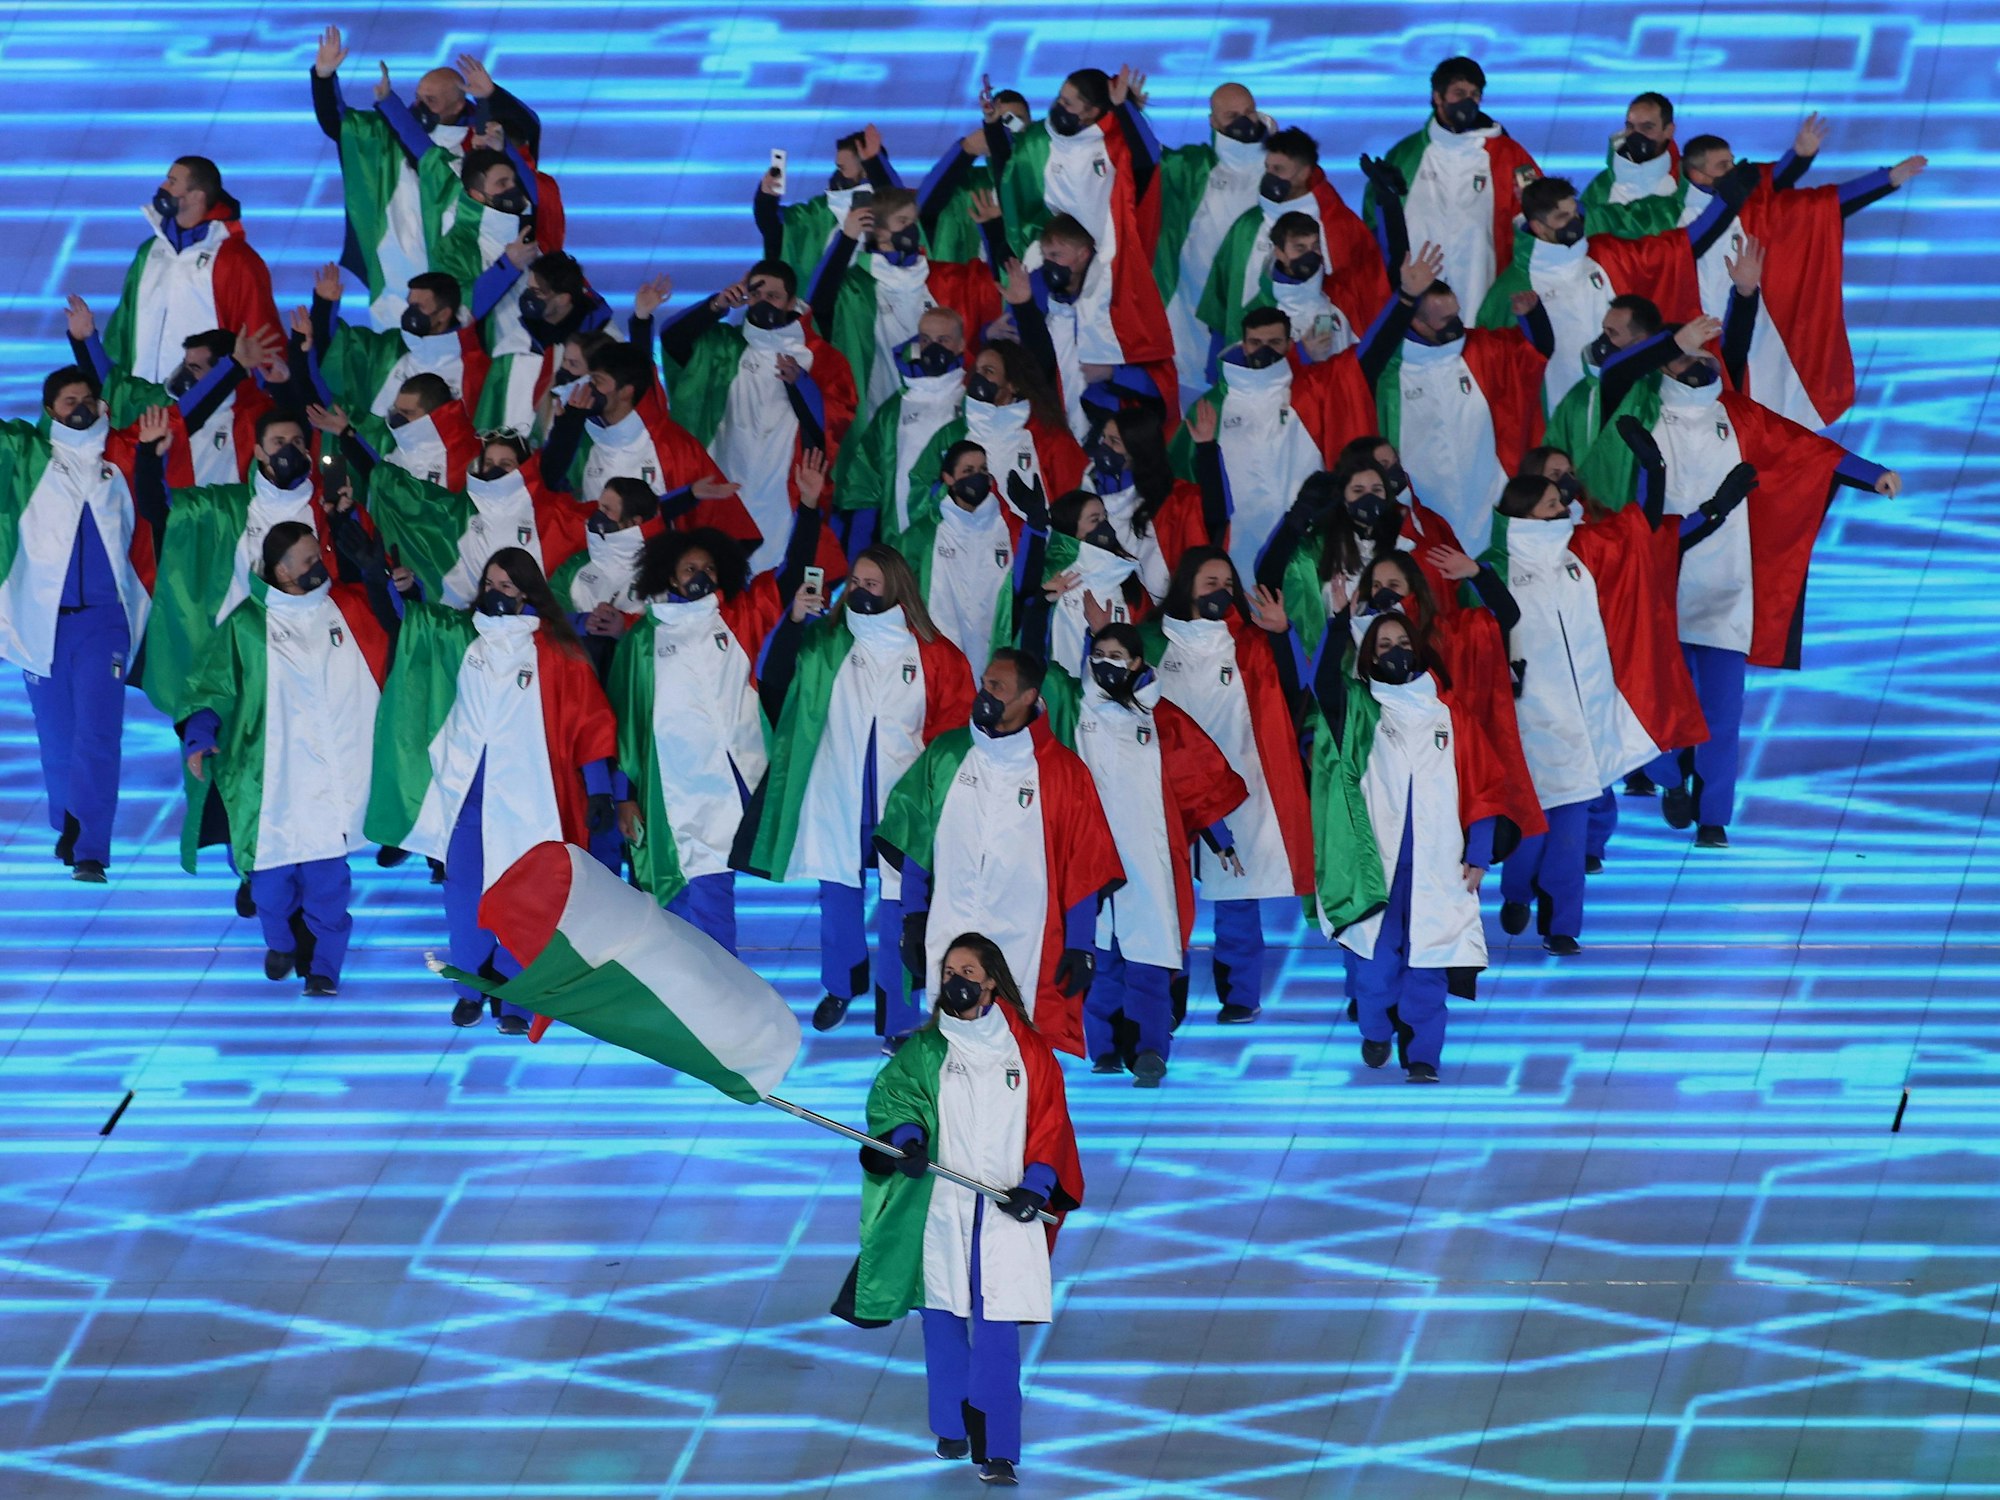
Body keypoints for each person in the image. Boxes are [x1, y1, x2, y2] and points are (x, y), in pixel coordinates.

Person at [1608, 335, 1899, 846]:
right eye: (1685, 354)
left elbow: (1805, 451)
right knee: (1661, 703)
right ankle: (1669, 778)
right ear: (1664, 363)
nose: (1698, 362)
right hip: (1656, 587)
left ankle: (1713, 816)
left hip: (1728, 585)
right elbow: (1613, 383)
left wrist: (1871, 475)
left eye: (1705, 355)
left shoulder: (1740, 415)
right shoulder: (1640, 411)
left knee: (1722, 713)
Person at [847, 934, 1083, 1487]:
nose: (957, 980)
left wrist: (1037, 1185)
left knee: (998, 1332)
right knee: (944, 1323)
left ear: (991, 980)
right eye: (950, 971)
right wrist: (907, 1140)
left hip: (1006, 1211)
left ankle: (997, 1448)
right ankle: (952, 1427)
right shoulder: (925, 1050)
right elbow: (896, 1101)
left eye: (968, 971)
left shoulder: (1028, 1051)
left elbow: (1051, 1124)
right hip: (941, 1209)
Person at [364, 548, 617, 1032]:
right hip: (470, 799)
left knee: (529, 902)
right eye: (489, 584)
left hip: (533, 803)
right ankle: (470, 988)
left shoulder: (557, 651)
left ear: (527, 593)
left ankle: (518, 999)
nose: (494, 594)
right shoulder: (463, 635)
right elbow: (415, 622)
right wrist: (396, 586)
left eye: (506, 586)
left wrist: (600, 789)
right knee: (464, 899)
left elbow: (588, 720)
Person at [735, 544, 974, 1038]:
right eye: (855, 583)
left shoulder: (935, 652)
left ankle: (900, 1016)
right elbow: (772, 677)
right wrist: (793, 622)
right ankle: (841, 985)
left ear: (896, 588)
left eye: (871, 584)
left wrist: (937, 796)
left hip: (903, 803)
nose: (860, 592)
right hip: (837, 792)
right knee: (838, 895)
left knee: (901, 906)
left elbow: (953, 731)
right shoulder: (827, 640)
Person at [1480, 473, 1707, 952]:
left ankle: (1563, 925)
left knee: (1571, 828)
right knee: (1531, 826)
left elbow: (1641, 532)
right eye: (1549, 504)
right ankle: (1517, 891)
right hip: (1530, 720)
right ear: (1523, 511)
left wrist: (1653, 469)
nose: (1561, 508)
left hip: (1588, 716)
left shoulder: (1580, 552)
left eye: (1559, 501)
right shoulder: (1494, 566)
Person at [612, 456, 827, 953]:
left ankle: (718, 989)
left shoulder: (738, 615)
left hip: (737, 777)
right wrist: (625, 795)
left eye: (709, 568)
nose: (701, 576)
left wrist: (810, 507)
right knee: (680, 900)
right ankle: (695, 990)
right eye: (690, 569)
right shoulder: (642, 639)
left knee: (711, 894)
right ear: (670, 575)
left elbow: (792, 573)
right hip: (674, 787)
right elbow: (628, 725)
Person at [179, 521, 392, 996]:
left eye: (320, 555)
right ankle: (280, 942)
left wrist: (380, 579)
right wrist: (199, 736)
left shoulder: (347, 607)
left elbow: (397, 629)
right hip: (270, 783)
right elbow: (212, 685)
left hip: (332, 782)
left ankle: (325, 970)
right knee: (270, 892)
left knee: (328, 891)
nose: (320, 565)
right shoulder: (247, 624)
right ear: (280, 571)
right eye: (308, 559)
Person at [878, 649, 1124, 1053]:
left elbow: (1085, 863)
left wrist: (1081, 944)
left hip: (1026, 936)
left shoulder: (1064, 772)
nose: (985, 694)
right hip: (951, 925)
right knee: (950, 1042)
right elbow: (914, 842)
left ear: (1028, 697)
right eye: (984, 683)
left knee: (1021, 1044)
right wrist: (913, 918)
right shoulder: (947, 754)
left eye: (997, 686)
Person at [1307, 610, 1513, 1082]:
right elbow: (1324, 685)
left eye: (1402, 643)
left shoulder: (1450, 712)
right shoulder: (1360, 709)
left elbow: (1483, 783)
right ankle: (1377, 1028)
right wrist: (1338, 622)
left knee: (1429, 964)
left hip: (1440, 867)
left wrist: (1479, 852)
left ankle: (1424, 1056)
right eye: (1383, 646)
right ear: (1369, 657)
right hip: (1374, 870)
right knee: (1376, 970)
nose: (1395, 652)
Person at [0, 375, 167, 883]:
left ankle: (92, 845)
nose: (79, 408)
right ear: (49, 410)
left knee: (98, 732)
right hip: (41, 622)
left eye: (87, 400)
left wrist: (152, 454)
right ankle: (68, 820)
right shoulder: (26, 455)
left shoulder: (124, 455)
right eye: (68, 401)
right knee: (57, 737)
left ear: (103, 405)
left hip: (105, 622)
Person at [1072, 613, 1246, 1083]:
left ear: (1137, 663)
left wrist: (1220, 838)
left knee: (1149, 958)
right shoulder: (1076, 710)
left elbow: (1195, 782)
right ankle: (1104, 1047)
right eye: (1099, 655)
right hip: (1090, 854)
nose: (1106, 664)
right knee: (1100, 955)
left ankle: (1150, 1049)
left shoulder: (1162, 718)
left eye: (1117, 656)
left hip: (1151, 859)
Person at [1150, 548, 1314, 1021]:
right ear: (1186, 587)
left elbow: (1297, 686)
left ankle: (1240, 993)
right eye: (1210, 582)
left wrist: (1282, 634)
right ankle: (1165, 999)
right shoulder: (1154, 641)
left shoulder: (1251, 642)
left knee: (1237, 892)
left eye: (1227, 583)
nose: (1220, 591)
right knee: (1164, 894)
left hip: (1238, 785)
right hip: (1167, 784)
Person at [1677, 130, 1926, 428]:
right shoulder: (1670, 219)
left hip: (1761, 342)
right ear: (1697, 175)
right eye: (1723, 166)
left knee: (1765, 428)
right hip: (1703, 351)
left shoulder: (1756, 206)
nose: (1734, 171)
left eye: (1733, 162)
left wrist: (1887, 179)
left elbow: (1823, 205)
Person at [310, 28, 541, 323]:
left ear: (458, 105)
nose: (420, 108)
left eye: (430, 101)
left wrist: (492, 97)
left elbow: (528, 135)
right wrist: (323, 76)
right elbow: (340, 125)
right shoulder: (390, 131)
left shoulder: (482, 144)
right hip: (396, 281)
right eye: (418, 98)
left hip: (467, 278)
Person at [142, 407, 338, 729]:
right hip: (240, 661)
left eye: (296, 442)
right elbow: (158, 509)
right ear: (259, 451)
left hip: (312, 660)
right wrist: (149, 456)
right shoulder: (227, 506)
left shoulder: (326, 512)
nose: (288, 450)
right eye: (278, 442)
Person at [657, 259, 858, 573]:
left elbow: (834, 425)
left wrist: (801, 385)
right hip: (726, 485)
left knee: (779, 579)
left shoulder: (823, 359)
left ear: (791, 302)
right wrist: (717, 305)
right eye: (756, 294)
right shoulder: (724, 345)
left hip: (782, 492)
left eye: (773, 296)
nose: (763, 302)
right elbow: (672, 339)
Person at [992, 65, 1174, 406]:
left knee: (1098, 380)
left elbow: (1147, 162)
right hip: (1054, 258)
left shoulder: (1114, 142)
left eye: (1069, 103)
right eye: (1060, 98)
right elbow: (1013, 184)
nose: (1058, 107)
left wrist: (1126, 109)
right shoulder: (1040, 140)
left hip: (1106, 272)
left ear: (1092, 111)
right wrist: (992, 129)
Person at [1355, 243, 1549, 553]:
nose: (1457, 323)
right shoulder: (1389, 373)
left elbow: (1536, 353)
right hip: (1423, 512)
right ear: (1415, 322)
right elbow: (1362, 362)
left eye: (1456, 313)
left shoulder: (1482, 350)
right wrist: (1405, 296)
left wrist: (1534, 316)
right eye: (1445, 319)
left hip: (1488, 501)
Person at [1474, 175, 1704, 410]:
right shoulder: (1511, 290)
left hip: (1622, 403)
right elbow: (1496, 371)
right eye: (1563, 217)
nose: (1575, 222)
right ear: (1538, 227)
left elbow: (1675, 251)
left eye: (1575, 213)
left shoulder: (1603, 256)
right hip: (1561, 412)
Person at [1173, 310, 1360, 581]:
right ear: (1244, 344)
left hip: (1307, 544)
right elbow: (1183, 488)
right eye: (1256, 342)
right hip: (1235, 549)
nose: (1264, 351)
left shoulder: (1312, 390)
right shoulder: (1209, 406)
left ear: (1289, 344)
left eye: (1274, 343)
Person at [1195, 126, 1386, 378]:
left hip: (1318, 366)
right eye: (1268, 168)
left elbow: (1366, 293)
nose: (1269, 176)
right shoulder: (1249, 223)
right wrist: (1216, 366)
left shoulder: (1339, 228)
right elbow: (1220, 294)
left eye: (1279, 170)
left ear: (1304, 173)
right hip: (1247, 367)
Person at [803, 183, 1002, 424]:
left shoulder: (944, 278)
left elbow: (1000, 281)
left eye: (913, 221)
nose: (912, 228)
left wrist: (994, 229)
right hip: (882, 421)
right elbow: (817, 307)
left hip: (946, 416)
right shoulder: (857, 289)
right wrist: (847, 239)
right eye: (903, 221)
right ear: (879, 231)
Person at [1361, 56, 1541, 317]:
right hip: (1415, 290)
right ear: (1437, 96)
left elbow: (1538, 219)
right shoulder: (1405, 154)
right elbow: (1375, 227)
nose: (1468, 101)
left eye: (1475, 95)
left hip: (1482, 285)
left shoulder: (1510, 155)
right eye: (1459, 93)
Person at [538, 342, 758, 548]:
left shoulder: (672, 445)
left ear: (626, 391)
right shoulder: (580, 434)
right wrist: (566, 428)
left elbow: (728, 529)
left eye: (597, 381)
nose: (588, 389)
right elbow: (546, 487)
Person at [102, 155, 281, 386]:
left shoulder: (236, 259)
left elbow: (258, 331)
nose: (162, 187)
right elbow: (123, 326)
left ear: (197, 196)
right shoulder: (149, 252)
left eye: (172, 182)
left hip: (205, 398)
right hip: (142, 398)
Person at [1153, 82, 1280, 400]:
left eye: (1249, 112)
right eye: (1232, 116)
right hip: (1194, 312)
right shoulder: (1193, 167)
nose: (1244, 121)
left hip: (1261, 308)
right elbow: (1140, 159)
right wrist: (1126, 110)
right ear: (1213, 121)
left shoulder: (1282, 167)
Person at [830, 306, 975, 548]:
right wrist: (859, 549)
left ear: (961, 345)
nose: (933, 348)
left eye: (943, 340)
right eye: (925, 340)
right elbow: (864, 481)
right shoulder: (894, 409)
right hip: (899, 541)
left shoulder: (973, 405)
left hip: (959, 540)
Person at [310, 264, 488, 452]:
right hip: (368, 463)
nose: (410, 313)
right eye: (409, 305)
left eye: (419, 307)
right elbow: (339, 350)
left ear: (444, 314)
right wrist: (324, 306)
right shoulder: (391, 347)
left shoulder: (474, 369)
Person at [889, 440, 1021, 677]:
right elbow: (895, 589)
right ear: (948, 478)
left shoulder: (1011, 528)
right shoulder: (923, 535)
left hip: (997, 654)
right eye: (968, 471)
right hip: (941, 657)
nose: (977, 477)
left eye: (983, 469)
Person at [755, 124, 904, 290]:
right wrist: (766, 198)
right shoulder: (820, 210)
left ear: (866, 171)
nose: (836, 175)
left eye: (842, 168)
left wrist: (875, 164)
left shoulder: (896, 218)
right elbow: (775, 226)